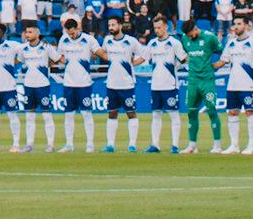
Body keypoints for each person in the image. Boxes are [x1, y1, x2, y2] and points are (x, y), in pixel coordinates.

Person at [53, 15, 100, 153]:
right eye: (68, 33)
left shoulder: (88, 39)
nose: (71, 36)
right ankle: (69, 144)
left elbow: (98, 53)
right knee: (68, 114)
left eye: (73, 33)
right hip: (68, 83)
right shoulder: (64, 40)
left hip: (84, 83)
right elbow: (61, 58)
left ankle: (90, 144)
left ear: (78, 28)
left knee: (86, 113)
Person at [98, 16, 142, 153]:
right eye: (109, 25)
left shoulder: (131, 41)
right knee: (112, 114)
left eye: (113, 25)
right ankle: (110, 145)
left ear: (120, 26)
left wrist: (133, 63)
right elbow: (104, 54)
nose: (111, 27)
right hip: (111, 83)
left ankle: (132, 144)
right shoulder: (107, 40)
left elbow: (144, 54)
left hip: (127, 84)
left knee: (131, 113)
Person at [179, 19, 224, 154]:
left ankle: (217, 145)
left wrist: (217, 65)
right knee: (191, 112)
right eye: (187, 35)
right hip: (192, 81)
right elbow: (184, 55)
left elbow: (224, 52)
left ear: (195, 28)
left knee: (211, 111)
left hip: (207, 81)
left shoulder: (210, 38)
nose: (189, 37)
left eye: (190, 34)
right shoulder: (184, 39)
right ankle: (192, 146)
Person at [143, 16, 186, 154]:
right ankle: (155, 145)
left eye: (159, 27)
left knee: (174, 114)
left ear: (166, 27)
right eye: (155, 28)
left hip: (170, 85)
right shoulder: (152, 43)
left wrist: (176, 67)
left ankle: (175, 145)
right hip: (156, 85)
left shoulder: (174, 43)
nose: (157, 30)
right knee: (156, 115)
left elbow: (184, 59)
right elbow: (144, 59)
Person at [219, 17, 253, 154]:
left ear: (247, 26)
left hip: (248, 85)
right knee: (232, 113)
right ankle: (234, 145)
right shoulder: (230, 44)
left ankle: (251, 146)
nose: (236, 27)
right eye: (234, 24)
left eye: (239, 24)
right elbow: (223, 61)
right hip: (232, 85)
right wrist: (207, 66)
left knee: (250, 112)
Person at [15, 22, 56, 153]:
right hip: (28, 85)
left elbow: (57, 59)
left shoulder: (46, 47)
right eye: (26, 32)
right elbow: (19, 61)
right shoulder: (23, 48)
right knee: (29, 117)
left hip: (42, 85)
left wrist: (47, 65)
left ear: (37, 33)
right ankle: (29, 144)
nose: (27, 34)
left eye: (30, 32)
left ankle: (50, 144)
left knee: (46, 116)